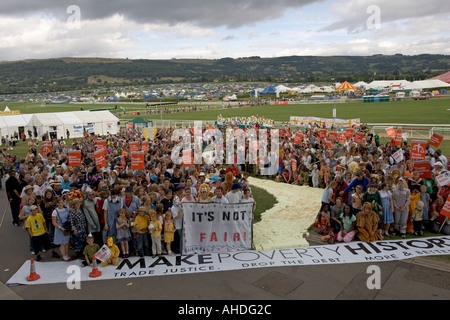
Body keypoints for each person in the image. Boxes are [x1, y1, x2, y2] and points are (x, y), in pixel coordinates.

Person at [52, 196, 72, 261]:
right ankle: (64, 256)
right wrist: (60, 227)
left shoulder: (66, 209)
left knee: (66, 242)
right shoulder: (55, 211)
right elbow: (54, 222)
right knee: (62, 243)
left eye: (62, 202)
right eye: (59, 203)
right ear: (57, 203)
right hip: (59, 228)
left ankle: (67, 254)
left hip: (66, 227)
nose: (61, 204)